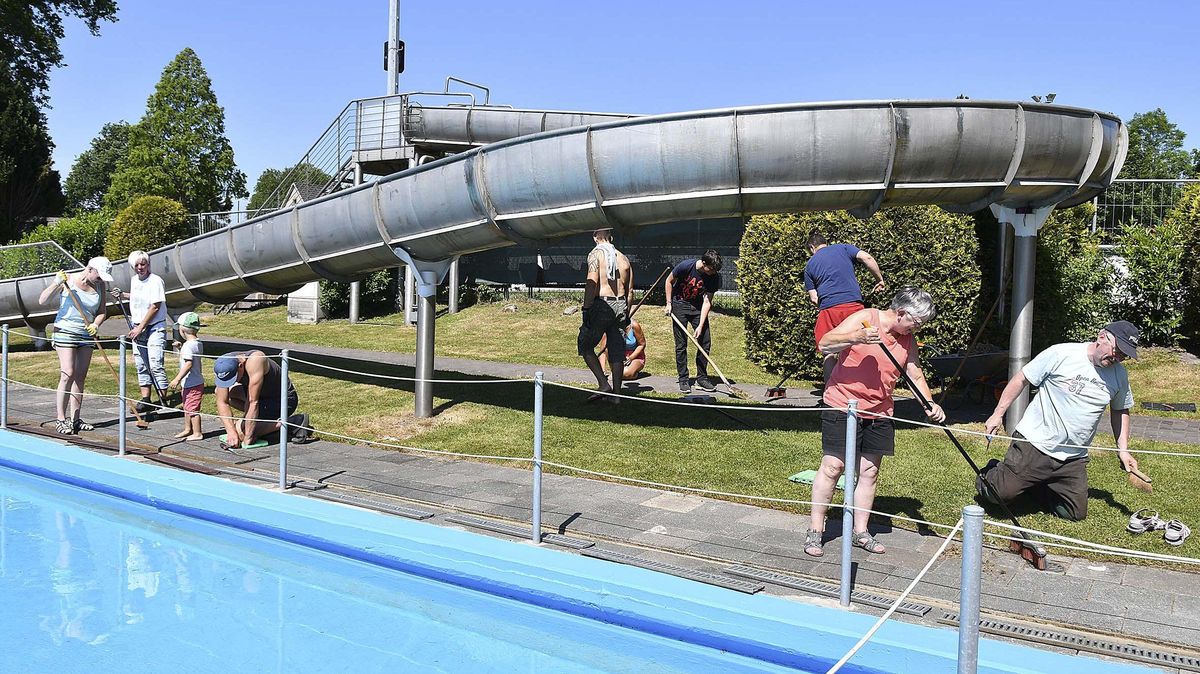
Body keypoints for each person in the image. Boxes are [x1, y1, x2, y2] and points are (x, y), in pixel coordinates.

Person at [804, 287, 945, 557]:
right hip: (843, 403)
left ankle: (861, 531)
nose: (917, 328)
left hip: (880, 409)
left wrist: (929, 404)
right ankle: (815, 530)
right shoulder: (866, 317)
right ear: (901, 313)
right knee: (833, 466)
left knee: (869, 472)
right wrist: (856, 337)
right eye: (916, 322)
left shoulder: (907, 340)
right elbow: (825, 344)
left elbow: (914, 374)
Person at [977, 321, 1142, 522]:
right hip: (1035, 445)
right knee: (1000, 496)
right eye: (1117, 351)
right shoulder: (1062, 354)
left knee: (1074, 513)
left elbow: (1120, 409)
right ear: (1101, 337)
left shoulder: (1119, 375)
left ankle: (1034, 485)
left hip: (1073, 458)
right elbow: (1021, 378)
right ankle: (991, 472)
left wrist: (1122, 450)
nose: (1117, 358)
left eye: (1123, 356)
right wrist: (998, 413)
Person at [39, 257, 113, 434]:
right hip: (65, 330)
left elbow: (102, 312)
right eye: (99, 276)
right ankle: (60, 419)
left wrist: (96, 324)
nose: (101, 279)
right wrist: (56, 282)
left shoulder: (100, 286)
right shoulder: (68, 280)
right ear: (90, 269)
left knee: (80, 376)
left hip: (86, 333)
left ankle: (75, 419)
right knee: (68, 373)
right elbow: (42, 300)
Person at [804, 231, 886, 384]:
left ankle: (830, 393)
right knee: (861, 347)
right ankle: (861, 387)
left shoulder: (809, 265)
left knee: (829, 351)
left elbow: (814, 298)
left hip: (829, 310)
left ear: (811, 247)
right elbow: (866, 257)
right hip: (854, 308)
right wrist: (879, 280)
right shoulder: (843, 248)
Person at [213, 350, 311, 448]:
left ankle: (294, 422)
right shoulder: (224, 364)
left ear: (240, 366)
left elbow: (252, 402)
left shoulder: (255, 361)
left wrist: (248, 437)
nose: (233, 381)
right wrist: (230, 432)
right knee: (222, 393)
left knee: (241, 433)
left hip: (282, 400)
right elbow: (222, 401)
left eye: (233, 378)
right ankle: (262, 422)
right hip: (261, 398)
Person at [577, 228, 633, 401]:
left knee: (585, 345)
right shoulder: (624, 259)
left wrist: (586, 309)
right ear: (611, 237)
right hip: (621, 303)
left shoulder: (595, 255)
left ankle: (603, 383)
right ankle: (617, 395)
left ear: (595, 237)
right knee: (617, 351)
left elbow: (592, 282)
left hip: (602, 304)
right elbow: (630, 291)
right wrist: (626, 313)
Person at [113, 251, 169, 415]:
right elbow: (139, 296)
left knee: (155, 362)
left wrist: (140, 327)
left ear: (148, 264)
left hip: (154, 326)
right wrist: (122, 295)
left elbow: (155, 306)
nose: (140, 268)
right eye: (136, 265)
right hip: (138, 325)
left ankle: (162, 399)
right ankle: (146, 399)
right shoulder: (134, 281)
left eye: (143, 264)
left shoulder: (156, 281)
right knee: (141, 363)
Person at [663, 250, 722, 393]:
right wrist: (669, 303)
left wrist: (700, 326)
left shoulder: (713, 277)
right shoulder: (685, 266)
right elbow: (668, 281)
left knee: (705, 341)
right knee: (681, 344)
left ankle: (701, 378)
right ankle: (683, 379)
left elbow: (707, 302)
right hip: (679, 305)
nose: (713, 272)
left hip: (697, 307)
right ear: (704, 263)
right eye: (712, 269)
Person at [167, 311, 206, 441]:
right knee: (187, 407)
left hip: (192, 382)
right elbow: (189, 356)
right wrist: (180, 348)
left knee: (192, 409)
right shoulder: (196, 343)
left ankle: (197, 433)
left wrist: (177, 379)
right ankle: (188, 429)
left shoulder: (188, 346)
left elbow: (188, 364)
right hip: (192, 381)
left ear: (182, 330)